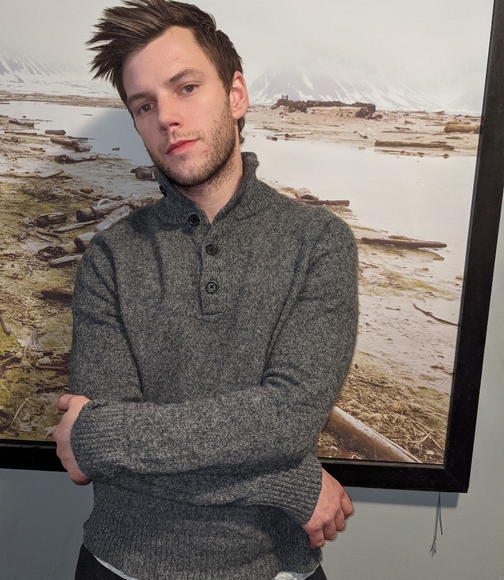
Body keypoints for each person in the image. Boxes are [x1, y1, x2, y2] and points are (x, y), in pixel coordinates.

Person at [53, 1, 358, 579]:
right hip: (119, 564)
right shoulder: (111, 257)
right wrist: (292, 485)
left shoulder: (318, 242)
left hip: (277, 568)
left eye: (186, 88)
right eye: (145, 105)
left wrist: (103, 433)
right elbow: (99, 458)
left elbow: (288, 419)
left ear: (236, 95)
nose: (167, 117)